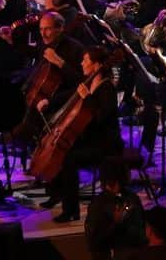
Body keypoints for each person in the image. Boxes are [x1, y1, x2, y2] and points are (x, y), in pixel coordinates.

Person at [44, 47, 123, 223]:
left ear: (96, 66)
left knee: (68, 159)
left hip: (106, 144)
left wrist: (87, 98)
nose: (81, 63)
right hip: (92, 139)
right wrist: (49, 101)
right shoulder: (90, 82)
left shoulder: (107, 88)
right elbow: (70, 94)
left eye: (85, 60)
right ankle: (58, 196)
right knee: (62, 152)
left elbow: (101, 117)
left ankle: (70, 210)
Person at [11, 11, 86, 146]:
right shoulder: (45, 45)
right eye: (41, 29)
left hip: (62, 98)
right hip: (43, 96)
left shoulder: (76, 48)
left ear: (60, 28)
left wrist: (60, 63)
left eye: (47, 29)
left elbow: (80, 81)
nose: (43, 34)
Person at [85, 157, 147, 260]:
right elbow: (93, 243)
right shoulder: (99, 205)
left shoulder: (131, 199)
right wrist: (115, 223)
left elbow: (142, 231)